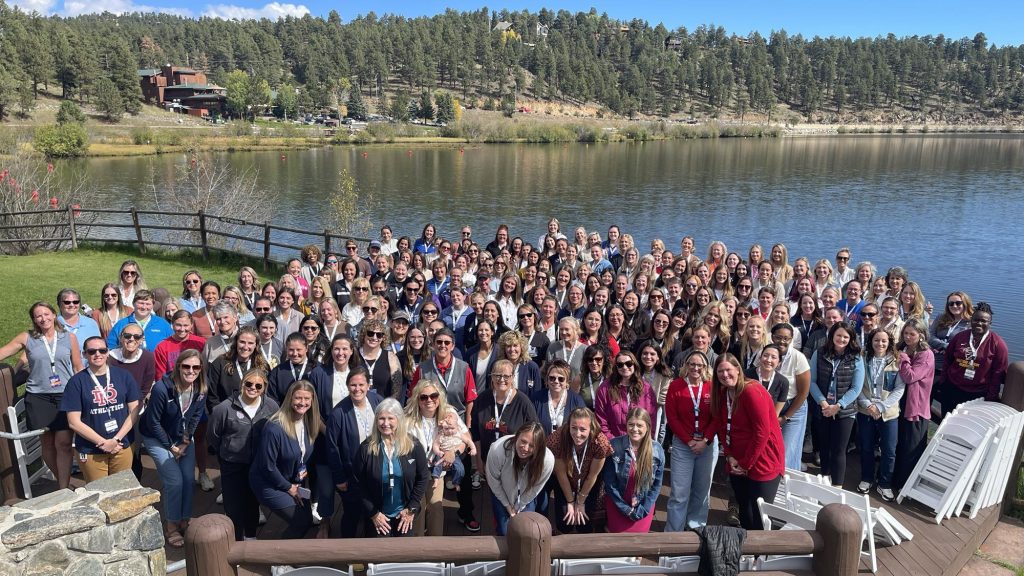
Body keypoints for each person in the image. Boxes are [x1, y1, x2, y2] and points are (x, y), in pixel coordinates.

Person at [0, 302, 82, 489]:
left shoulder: (68, 337)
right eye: (38, 316)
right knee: (46, 442)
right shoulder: (27, 338)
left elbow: (77, 366)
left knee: (63, 443)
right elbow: (4, 351)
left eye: (46, 314)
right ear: (34, 320)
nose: (43, 318)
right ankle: (62, 482)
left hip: (64, 395)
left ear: (54, 315)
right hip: (38, 396)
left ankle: (63, 487)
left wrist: (82, 391)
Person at [709, 354, 785, 530]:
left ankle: (760, 555)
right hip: (737, 459)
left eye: (729, 369)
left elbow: (762, 432)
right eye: (720, 371)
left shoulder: (751, 391)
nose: (725, 375)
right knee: (744, 510)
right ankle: (747, 554)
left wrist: (745, 463)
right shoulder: (722, 393)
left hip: (761, 460)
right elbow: (721, 426)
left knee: (759, 515)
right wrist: (729, 456)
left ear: (738, 369)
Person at [139, 350, 206, 547]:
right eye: (186, 366)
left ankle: (184, 519)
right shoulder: (162, 388)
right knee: (174, 481)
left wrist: (185, 442)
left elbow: (195, 418)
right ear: (178, 367)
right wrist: (171, 447)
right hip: (156, 437)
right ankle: (171, 526)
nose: (191, 371)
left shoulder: (200, 388)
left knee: (188, 479)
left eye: (196, 367)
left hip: (182, 436)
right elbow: (153, 422)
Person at [209, 368, 279, 541]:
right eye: (248, 383)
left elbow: (276, 431)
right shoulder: (224, 408)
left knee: (253, 502)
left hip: (257, 464)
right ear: (242, 384)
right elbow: (213, 435)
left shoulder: (271, 406)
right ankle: (236, 540)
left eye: (258, 385)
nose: (253, 388)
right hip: (232, 464)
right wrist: (227, 451)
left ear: (264, 388)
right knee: (233, 506)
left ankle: (251, 536)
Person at [61, 334, 139, 483]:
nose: (98, 354)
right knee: (98, 493)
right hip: (91, 450)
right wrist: (104, 443)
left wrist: (116, 440)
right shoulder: (76, 382)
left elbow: (134, 412)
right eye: (92, 351)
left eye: (102, 350)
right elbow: (73, 422)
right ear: (84, 354)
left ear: (108, 352)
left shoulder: (123, 376)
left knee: (122, 490)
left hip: (122, 445)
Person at [251, 380, 323, 539]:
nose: (302, 403)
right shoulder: (275, 427)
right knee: (301, 521)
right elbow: (267, 467)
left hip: (293, 481)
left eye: (306, 399)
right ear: (290, 399)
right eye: (298, 398)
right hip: (268, 482)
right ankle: (280, 560)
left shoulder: (308, 422)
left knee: (306, 519)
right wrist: (289, 487)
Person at [355, 398, 430, 537]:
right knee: (380, 556)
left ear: (399, 420)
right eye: (381, 419)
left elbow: (423, 477)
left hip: (405, 514)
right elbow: (359, 483)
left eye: (391, 418)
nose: (386, 423)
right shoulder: (366, 448)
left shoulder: (413, 445)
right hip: (378, 516)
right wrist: (373, 513)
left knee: (404, 556)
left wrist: (411, 509)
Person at [324, 367, 383, 538]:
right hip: (352, 474)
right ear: (347, 386)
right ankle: (348, 552)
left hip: (376, 469)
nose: (357, 389)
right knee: (352, 513)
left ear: (368, 385)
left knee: (373, 512)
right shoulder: (338, 413)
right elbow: (332, 448)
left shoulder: (377, 401)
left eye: (361, 385)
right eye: (353, 385)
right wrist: (339, 477)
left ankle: (372, 554)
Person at [665, 350, 716, 531]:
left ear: (705, 367)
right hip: (683, 444)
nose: (695, 368)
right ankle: (673, 533)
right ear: (685, 366)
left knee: (702, 492)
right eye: (691, 364)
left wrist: (706, 441)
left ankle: (696, 529)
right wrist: (689, 441)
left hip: (707, 445)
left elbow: (717, 417)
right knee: (679, 493)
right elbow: (672, 417)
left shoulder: (712, 386)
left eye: (699, 365)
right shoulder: (676, 386)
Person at [809, 322, 864, 487]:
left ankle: (838, 486)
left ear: (851, 339)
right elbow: (812, 381)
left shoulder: (856, 357)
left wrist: (838, 405)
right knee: (824, 447)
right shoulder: (819, 353)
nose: (841, 339)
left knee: (839, 450)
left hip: (845, 411)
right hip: (823, 408)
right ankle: (825, 479)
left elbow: (856, 388)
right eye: (838, 335)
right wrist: (823, 403)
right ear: (832, 336)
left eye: (846, 336)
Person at [405, 379, 459, 536]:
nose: (429, 400)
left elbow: (464, 437)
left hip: (436, 471)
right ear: (417, 399)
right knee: (417, 510)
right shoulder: (407, 420)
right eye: (424, 397)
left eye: (433, 396)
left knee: (436, 509)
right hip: (415, 474)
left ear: (439, 397)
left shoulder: (449, 414)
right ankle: (418, 550)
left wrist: (452, 452)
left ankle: (436, 549)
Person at [856, 329, 905, 501]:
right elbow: (858, 387)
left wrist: (882, 407)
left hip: (889, 413)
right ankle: (867, 478)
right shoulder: (863, 360)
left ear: (889, 342)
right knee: (867, 447)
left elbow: (900, 388)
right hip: (866, 410)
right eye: (876, 340)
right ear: (871, 341)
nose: (880, 344)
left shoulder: (896, 361)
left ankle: (884, 483)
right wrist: (868, 405)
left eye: (884, 341)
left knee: (889, 451)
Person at [486, 422, 554, 536]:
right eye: (523, 441)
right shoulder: (498, 450)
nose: (525, 448)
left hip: (526, 493)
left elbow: (535, 488)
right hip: (502, 490)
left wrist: (520, 506)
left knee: (527, 530)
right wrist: (507, 506)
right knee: (504, 532)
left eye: (532, 446)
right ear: (517, 436)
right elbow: (493, 482)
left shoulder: (547, 460)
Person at [940, 302, 1008, 415]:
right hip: (953, 388)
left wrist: (991, 398)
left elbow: (998, 373)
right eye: (976, 320)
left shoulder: (998, 344)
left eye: (984, 321)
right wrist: (943, 382)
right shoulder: (960, 337)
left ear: (990, 322)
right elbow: (947, 360)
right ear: (971, 320)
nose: (979, 323)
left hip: (978, 395)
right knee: (946, 422)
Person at [604, 407, 664, 533]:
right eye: (631, 424)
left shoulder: (657, 449)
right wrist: (626, 509)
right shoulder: (614, 445)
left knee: (639, 546)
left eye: (639, 425)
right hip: (618, 505)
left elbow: (657, 485)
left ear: (647, 426)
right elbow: (610, 484)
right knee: (618, 546)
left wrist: (645, 509)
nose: (635, 429)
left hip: (643, 506)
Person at [894, 318, 935, 491]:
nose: (908, 337)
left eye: (912, 334)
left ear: (921, 335)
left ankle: (906, 485)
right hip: (900, 403)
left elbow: (910, 377)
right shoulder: (903, 348)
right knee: (899, 444)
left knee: (911, 448)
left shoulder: (926, 354)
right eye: (906, 333)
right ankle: (896, 479)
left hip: (915, 407)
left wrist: (902, 358)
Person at [771, 323, 812, 471]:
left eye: (786, 338)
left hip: (793, 408)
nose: (781, 341)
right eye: (778, 337)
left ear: (791, 340)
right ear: (771, 337)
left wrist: (786, 417)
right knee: (770, 451)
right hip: (772, 408)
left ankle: (789, 488)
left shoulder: (798, 358)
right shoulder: (767, 354)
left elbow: (803, 393)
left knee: (788, 455)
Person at [595, 351, 657, 438]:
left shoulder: (646, 388)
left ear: (634, 365)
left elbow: (651, 419)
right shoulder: (604, 389)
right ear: (616, 367)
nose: (624, 367)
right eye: (620, 365)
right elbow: (601, 420)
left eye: (628, 364)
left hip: (640, 442)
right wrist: (613, 442)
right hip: (614, 442)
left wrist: (646, 441)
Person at [429, 406, 476, 490]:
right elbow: (435, 445)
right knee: (437, 465)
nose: (450, 431)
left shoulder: (459, 434)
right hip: (441, 453)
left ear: (457, 427)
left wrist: (473, 449)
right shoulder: (441, 435)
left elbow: (468, 441)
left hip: (455, 454)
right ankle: (436, 478)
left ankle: (456, 482)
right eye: (447, 428)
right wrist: (438, 452)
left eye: (452, 428)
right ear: (443, 428)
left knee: (460, 469)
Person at [108, 290, 173, 350]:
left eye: (148, 304)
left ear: (153, 305)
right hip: (127, 361)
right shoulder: (122, 324)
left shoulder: (162, 324)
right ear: (133, 303)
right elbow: (111, 347)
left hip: (156, 362)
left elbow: (172, 346)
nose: (144, 307)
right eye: (141, 303)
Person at [154, 310, 206, 381]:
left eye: (186, 325)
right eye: (178, 325)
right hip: (171, 386)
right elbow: (160, 376)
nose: (182, 329)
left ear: (191, 325)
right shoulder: (162, 347)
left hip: (196, 384)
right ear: (172, 325)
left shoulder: (201, 342)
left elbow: (205, 369)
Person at [929, 291, 973, 374]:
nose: (954, 306)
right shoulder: (940, 317)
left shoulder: (970, 324)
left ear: (965, 304)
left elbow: (965, 347)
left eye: (958, 303)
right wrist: (944, 346)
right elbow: (930, 336)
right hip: (933, 362)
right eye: (951, 303)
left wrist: (945, 347)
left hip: (954, 366)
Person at [498, 330, 542, 396]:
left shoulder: (532, 367)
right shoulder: (498, 367)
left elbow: (537, 395)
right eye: (509, 346)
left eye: (515, 345)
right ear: (504, 348)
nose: (512, 349)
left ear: (522, 347)